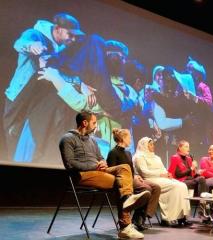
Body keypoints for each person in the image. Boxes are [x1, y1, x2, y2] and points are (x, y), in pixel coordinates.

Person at [4, 12, 84, 163]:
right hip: (19, 98)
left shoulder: (61, 49)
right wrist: (31, 45)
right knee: (12, 137)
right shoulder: (35, 35)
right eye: (70, 34)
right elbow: (19, 43)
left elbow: (62, 73)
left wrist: (80, 83)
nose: (73, 39)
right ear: (58, 29)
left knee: (31, 140)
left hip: (38, 102)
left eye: (75, 36)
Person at [59, 111, 150, 239]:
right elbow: (69, 163)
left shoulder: (93, 141)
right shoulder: (67, 139)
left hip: (98, 171)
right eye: (94, 122)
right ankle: (125, 226)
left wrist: (102, 162)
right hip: (82, 174)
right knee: (121, 183)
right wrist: (95, 166)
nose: (96, 125)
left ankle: (127, 199)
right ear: (85, 123)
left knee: (124, 168)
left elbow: (100, 157)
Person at [107, 128, 161, 231]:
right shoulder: (113, 152)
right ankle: (139, 219)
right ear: (123, 138)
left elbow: (131, 169)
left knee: (156, 187)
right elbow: (111, 170)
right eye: (129, 138)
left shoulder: (128, 153)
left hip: (133, 178)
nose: (131, 140)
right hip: (123, 182)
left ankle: (143, 215)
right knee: (147, 189)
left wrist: (136, 175)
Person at [133, 137, 192, 227]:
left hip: (161, 178)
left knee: (182, 185)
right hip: (149, 179)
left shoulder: (156, 157)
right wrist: (161, 174)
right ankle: (168, 217)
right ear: (144, 145)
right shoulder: (139, 157)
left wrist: (167, 174)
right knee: (176, 186)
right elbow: (144, 172)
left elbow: (163, 169)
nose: (153, 146)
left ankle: (182, 217)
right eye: (151, 144)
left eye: (153, 144)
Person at [168, 140, 209, 220]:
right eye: (186, 146)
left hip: (190, 180)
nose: (188, 149)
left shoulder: (189, 158)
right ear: (180, 147)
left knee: (203, 180)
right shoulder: (175, 157)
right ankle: (203, 210)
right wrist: (191, 168)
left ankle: (204, 209)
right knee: (201, 181)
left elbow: (191, 175)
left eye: (189, 146)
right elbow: (178, 174)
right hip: (180, 181)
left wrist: (197, 172)